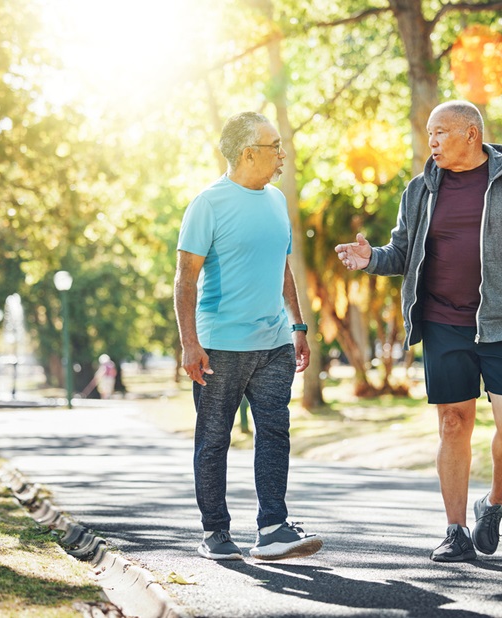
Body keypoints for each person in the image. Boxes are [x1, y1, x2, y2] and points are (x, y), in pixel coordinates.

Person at [335, 100, 502, 562]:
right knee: (454, 423)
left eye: (440, 132)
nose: (431, 141)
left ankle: (493, 505)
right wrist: (371, 258)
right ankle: (455, 530)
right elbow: (401, 252)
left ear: (471, 134)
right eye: (429, 133)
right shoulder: (420, 190)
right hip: (443, 322)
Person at [174, 111, 322, 562]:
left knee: (275, 432)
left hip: (274, 343)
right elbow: (185, 280)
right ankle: (216, 531)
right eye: (274, 146)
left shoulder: (277, 200)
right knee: (214, 437)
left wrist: (297, 326)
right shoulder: (208, 204)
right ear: (247, 153)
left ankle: (273, 527)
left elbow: (282, 267)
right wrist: (190, 343)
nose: (282, 154)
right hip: (220, 347)